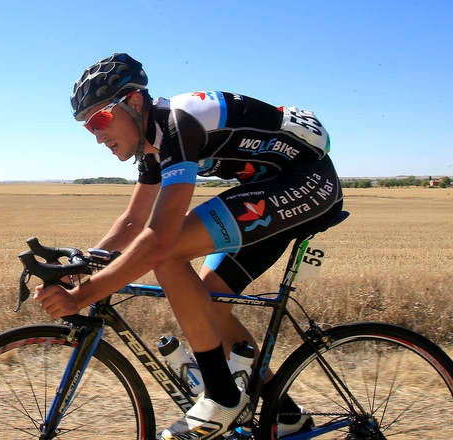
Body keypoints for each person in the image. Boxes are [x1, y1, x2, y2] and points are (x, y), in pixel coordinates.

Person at [33, 53, 344, 439]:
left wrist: (86, 294)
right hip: (271, 188)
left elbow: (159, 239)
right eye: (86, 127)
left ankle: (221, 396)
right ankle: (285, 413)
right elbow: (131, 223)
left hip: (308, 181)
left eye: (100, 119)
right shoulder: (153, 144)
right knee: (210, 298)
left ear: (133, 102)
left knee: (169, 250)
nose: (96, 135)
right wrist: (81, 267)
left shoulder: (178, 124)